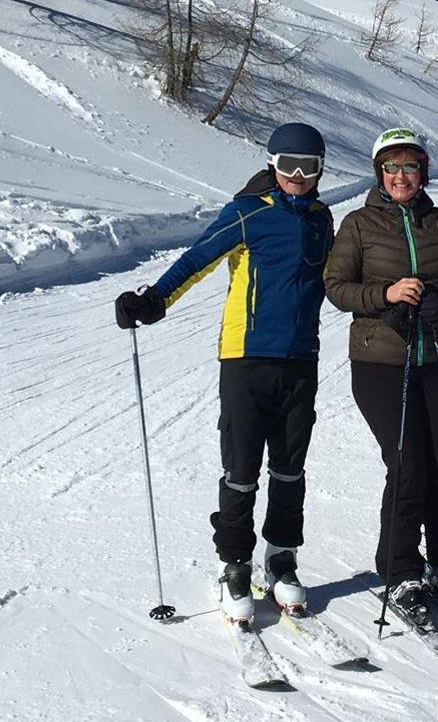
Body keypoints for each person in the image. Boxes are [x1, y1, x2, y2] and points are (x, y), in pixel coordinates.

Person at [115, 122, 335, 624]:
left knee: (290, 468)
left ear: (321, 170)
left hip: (301, 359)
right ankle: (234, 564)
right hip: (246, 358)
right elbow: (197, 259)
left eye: (309, 167)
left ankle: (281, 558)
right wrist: (153, 301)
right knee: (241, 470)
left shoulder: (323, 220)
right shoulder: (246, 212)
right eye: (288, 166)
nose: (298, 176)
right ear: (272, 165)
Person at [323, 127, 438, 623]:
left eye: (409, 166)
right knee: (407, 462)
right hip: (381, 363)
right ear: (379, 173)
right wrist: (384, 297)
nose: (400, 176)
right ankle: (399, 568)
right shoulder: (358, 224)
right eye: (391, 167)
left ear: (423, 173)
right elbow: (336, 286)